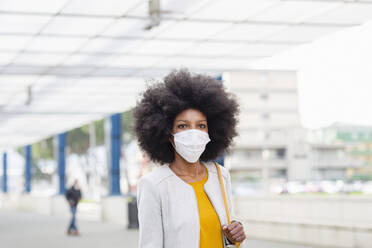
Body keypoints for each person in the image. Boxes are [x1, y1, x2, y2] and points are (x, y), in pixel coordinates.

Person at [134, 69, 246, 248]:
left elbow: (229, 232)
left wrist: (236, 233)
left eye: (201, 126)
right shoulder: (153, 185)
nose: (193, 132)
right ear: (169, 134)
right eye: (182, 126)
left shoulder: (220, 175)